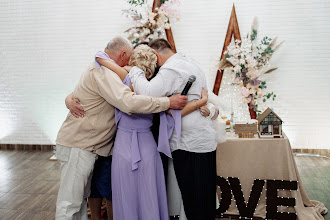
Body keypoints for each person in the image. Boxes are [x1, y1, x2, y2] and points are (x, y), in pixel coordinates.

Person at [55, 36, 188, 220]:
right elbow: (128, 102)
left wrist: (70, 97)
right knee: (70, 203)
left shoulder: (110, 71)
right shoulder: (105, 72)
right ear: (124, 54)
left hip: (97, 146)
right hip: (79, 144)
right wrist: (168, 102)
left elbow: (99, 89)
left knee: (77, 202)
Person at [129, 38, 218, 220]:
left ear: (155, 54)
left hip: (188, 144)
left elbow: (147, 93)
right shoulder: (190, 62)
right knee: (204, 199)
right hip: (204, 140)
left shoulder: (171, 69)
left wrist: (135, 71)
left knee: (193, 200)